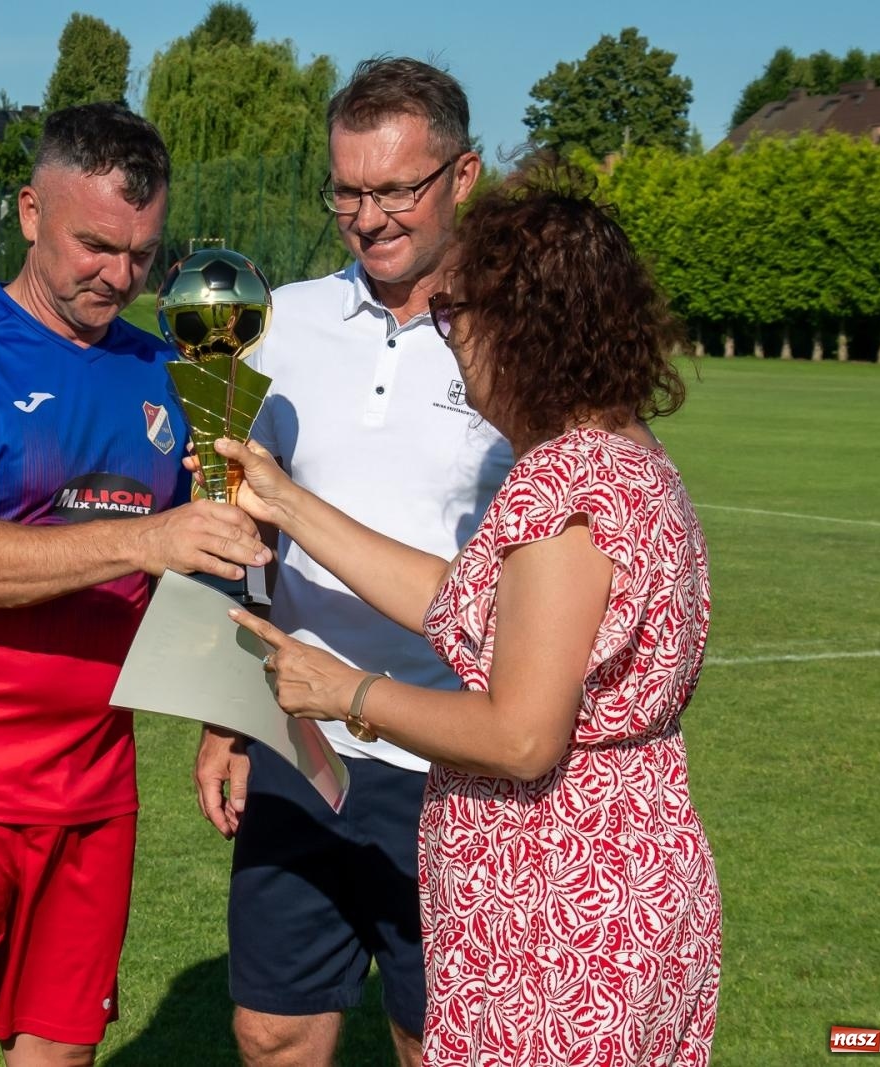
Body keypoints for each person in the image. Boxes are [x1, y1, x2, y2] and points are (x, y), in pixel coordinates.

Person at [216, 170, 722, 1065]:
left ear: (526, 329)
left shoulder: (564, 487)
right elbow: (466, 603)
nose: (452, 346)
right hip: (621, 880)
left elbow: (522, 735)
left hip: (560, 905)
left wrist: (343, 689)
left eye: (459, 319)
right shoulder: (629, 457)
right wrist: (286, 503)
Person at [0, 102, 270, 1067]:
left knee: (64, 1054)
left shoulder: (177, 374)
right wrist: (147, 538)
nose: (118, 276)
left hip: (88, 780)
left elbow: (218, 556)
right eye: (95, 245)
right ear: (31, 211)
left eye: (143, 254)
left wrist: (224, 716)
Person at [192, 58, 512, 1067]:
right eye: (346, 191)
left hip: (455, 754)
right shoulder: (274, 325)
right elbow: (235, 526)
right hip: (302, 737)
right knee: (272, 1025)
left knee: (437, 1037)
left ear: (461, 176)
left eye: (393, 190)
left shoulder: (520, 337)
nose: (366, 217)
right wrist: (223, 714)